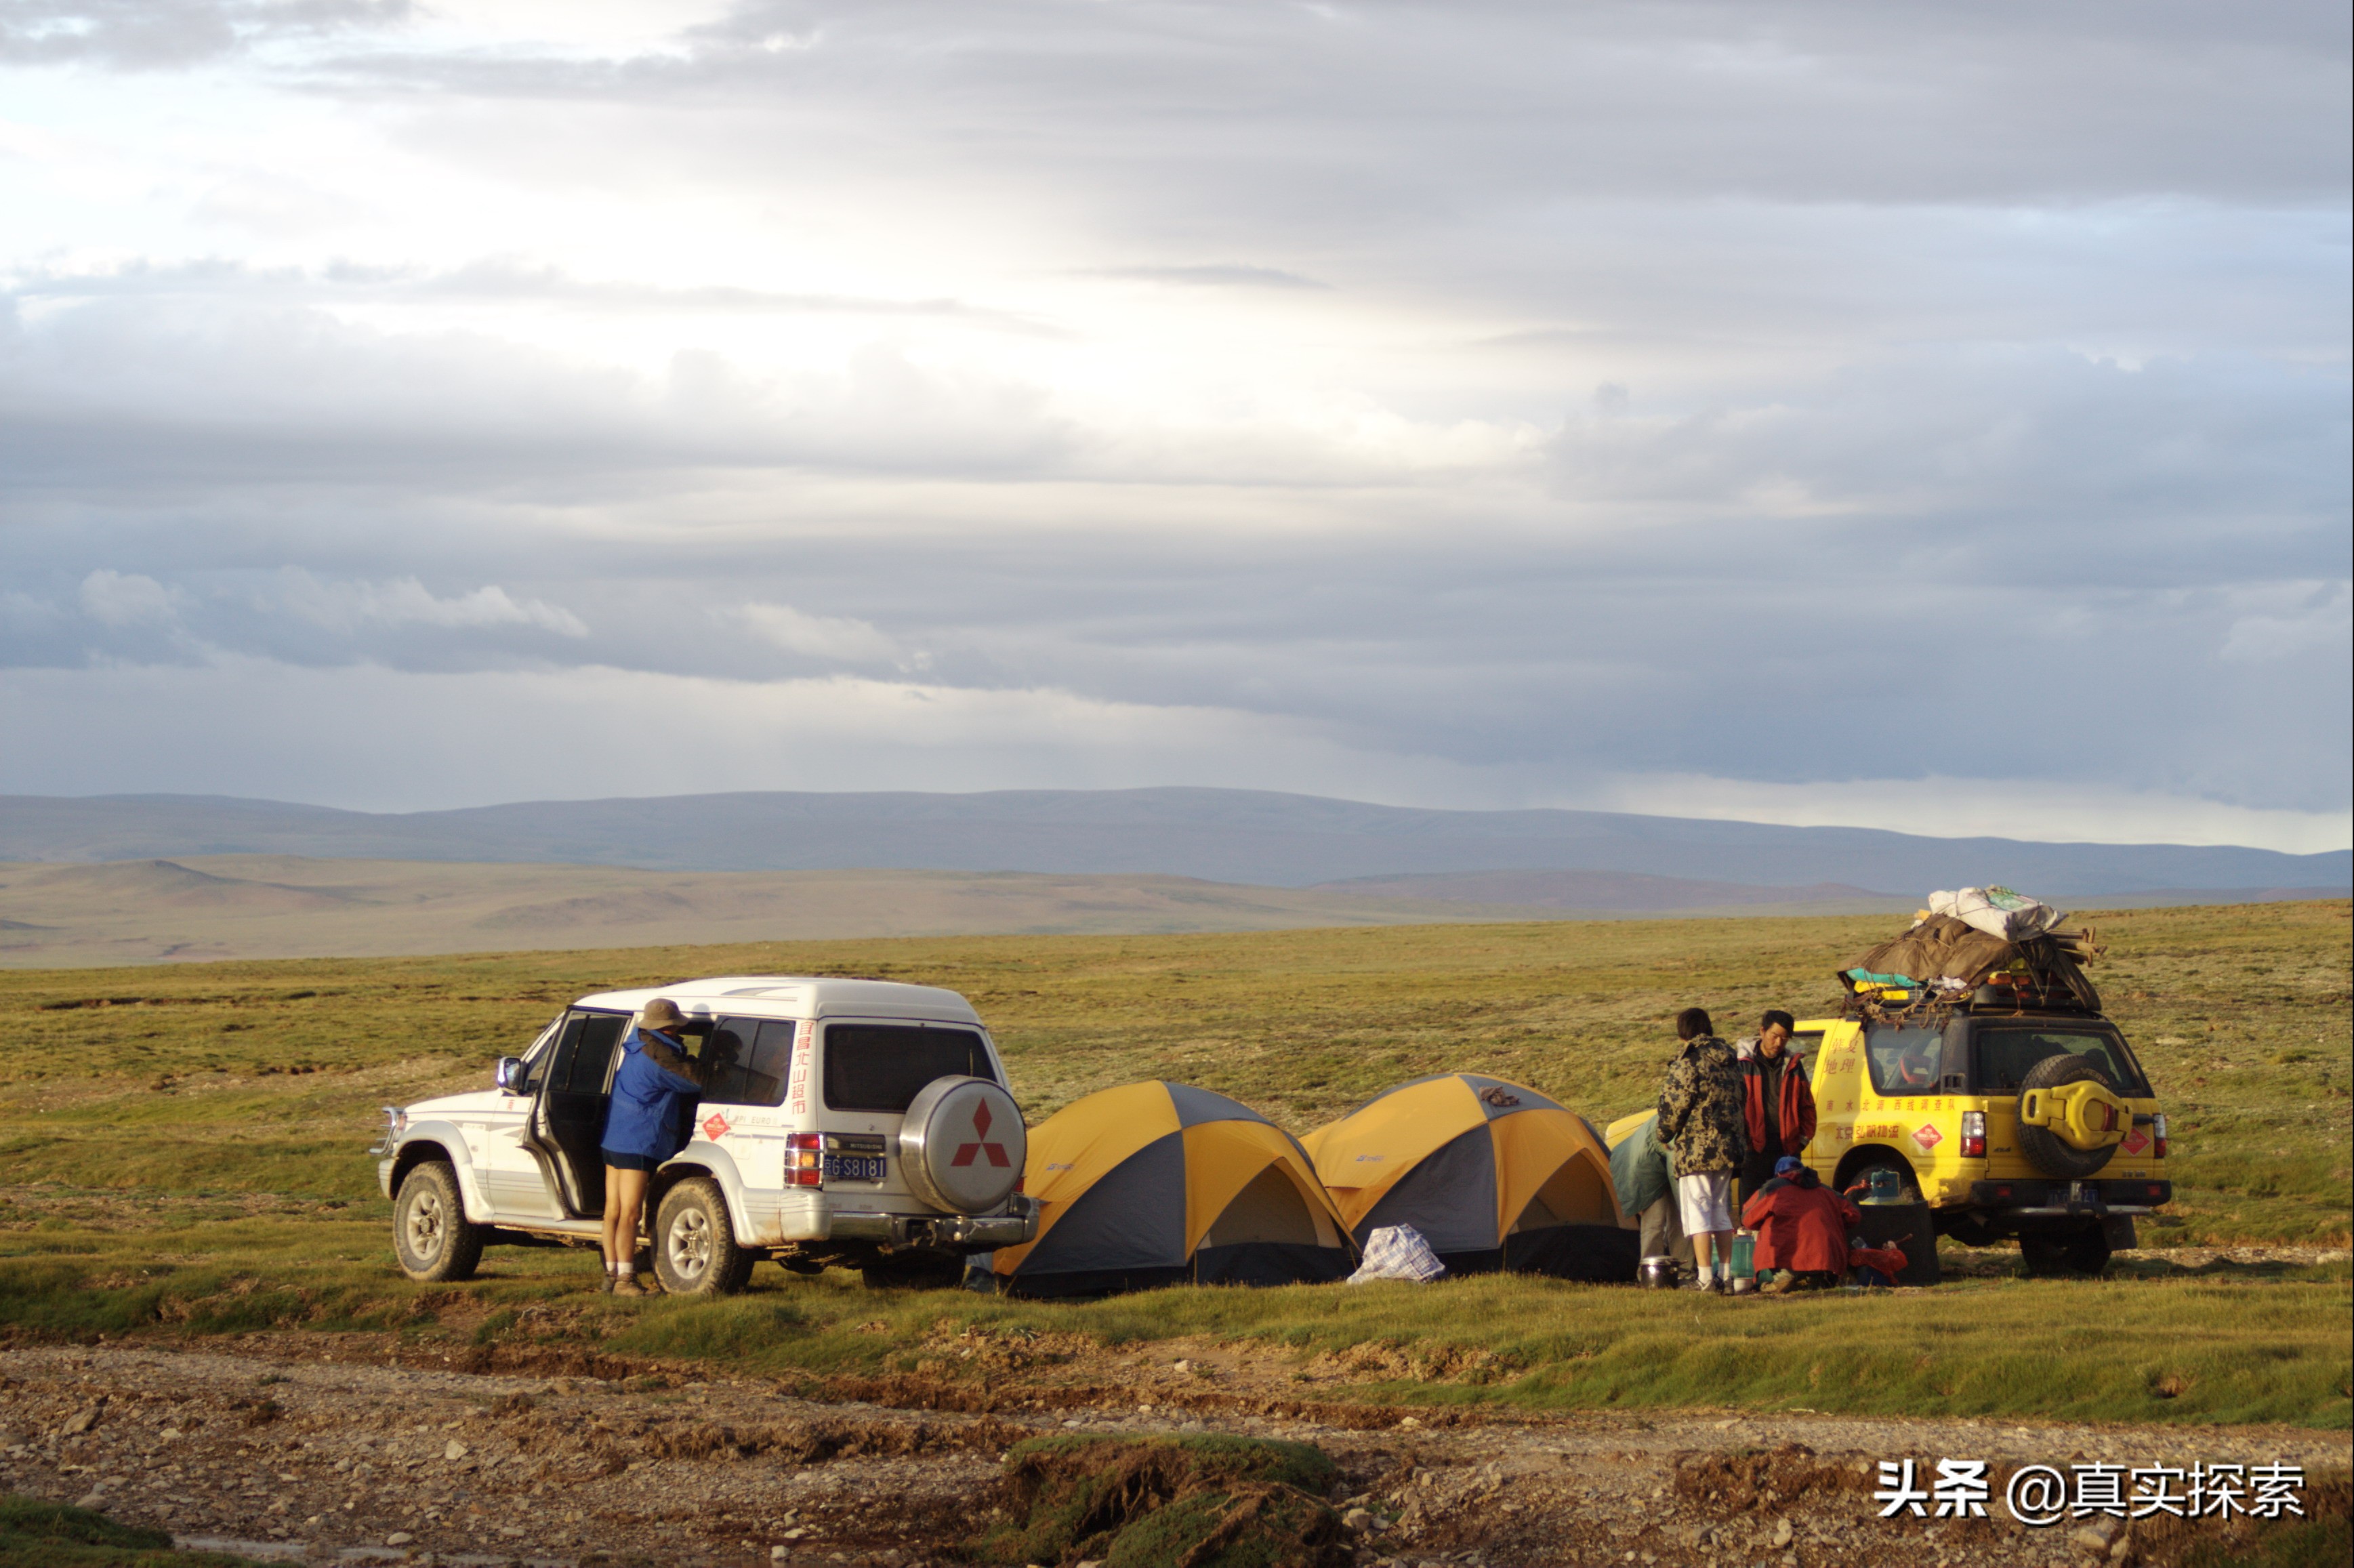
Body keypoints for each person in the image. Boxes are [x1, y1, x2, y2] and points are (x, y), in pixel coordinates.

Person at [597, 997, 711, 1296]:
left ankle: (611, 1275)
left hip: (615, 1137)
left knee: (614, 1212)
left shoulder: (636, 1048)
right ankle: (626, 1281)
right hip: (639, 1140)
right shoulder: (661, 1058)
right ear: (672, 1027)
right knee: (632, 1214)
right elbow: (696, 1082)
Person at [1654, 1006, 1746, 1292]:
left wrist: (1664, 1133)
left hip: (1697, 1150)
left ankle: (1705, 1279)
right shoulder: (1730, 1060)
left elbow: (1675, 1104)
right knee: (1720, 1212)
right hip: (1729, 1148)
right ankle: (1727, 1277)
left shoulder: (1690, 1061)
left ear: (1683, 1032)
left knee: (1698, 1213)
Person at [1743, 1155, 1860, 1293]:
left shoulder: (1773, 1188)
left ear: (1779, 1174)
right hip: (1827, 1259)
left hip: (1789, 1257)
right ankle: (1818, 1277)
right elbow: (1855, 1215)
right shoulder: (1827, 1190)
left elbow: (1747, 1219)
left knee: (1767, 1225)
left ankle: (1787, 1276)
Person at [1737, 1010, 1817, 1205]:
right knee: (1751, 1211)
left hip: (1787, 1151)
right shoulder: (1742, 1065)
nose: (1779, 1043)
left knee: (1788, 1209)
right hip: (1752, 1152)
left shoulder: (1794, 1066)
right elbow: (1733, 1106)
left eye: (1785, 1038)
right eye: (1775, 1036)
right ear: (1762, 1032)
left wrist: (1801, 1142)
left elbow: (1807, 1107)